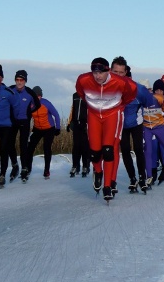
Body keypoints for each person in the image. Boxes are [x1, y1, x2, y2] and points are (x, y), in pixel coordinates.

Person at [76, 57, 137, 201]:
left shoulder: (121, 82)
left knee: (109, 150)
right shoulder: (83, 80)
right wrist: (94, 104)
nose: (97, 76)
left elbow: (130, 95)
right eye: (94, 73)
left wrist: (119, 105)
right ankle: (98, 171)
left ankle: (108, 185)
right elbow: (81, 93)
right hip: (94, 115)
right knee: (95, 153)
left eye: (101, 73)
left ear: (108, 70)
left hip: (112, 114)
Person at [111, 57, 154, 193]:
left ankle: (142, 177)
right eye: (115, 72)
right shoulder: (108, 88)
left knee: (138, 149)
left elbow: (150, 102)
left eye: (122, 73)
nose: (118, 76)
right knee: (125, 151)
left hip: (136, 122)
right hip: (121, 124)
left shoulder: (138, 89)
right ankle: (132, 179)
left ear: (126, 74)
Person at [8, 70, 41, 182]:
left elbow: (37, 104)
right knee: (9, 144)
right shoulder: (10, 89)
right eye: (17, 80)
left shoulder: (29, 92)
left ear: (25, 81)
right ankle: (15, 165)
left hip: (24, 121)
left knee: (23, 145)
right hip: (12, 121)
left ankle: (24, 168)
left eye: (21, 80)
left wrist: (29, 112)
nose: (19, 82)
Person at [26, 86, 61, 179]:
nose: (38, 98)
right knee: (30, 147)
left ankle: (46, 170)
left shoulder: (46, 103)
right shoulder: (30, 105)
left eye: (39, 96)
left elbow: (56, 115)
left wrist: (58, 128)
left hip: (49, 128)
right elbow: (27, 117)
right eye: (35, 96)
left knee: (46, 148)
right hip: (37, 128)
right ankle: (28, 169)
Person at [66, 92, 90, 177]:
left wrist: (89, 123)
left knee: (85, 146)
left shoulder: (89, 95)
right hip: (76, 123)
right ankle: (75, 166)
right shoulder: (75, 95)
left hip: (85, 124)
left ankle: (85, 166)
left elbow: (91, 109)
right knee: (76, 146)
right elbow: (73, 109)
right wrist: (69, 123)